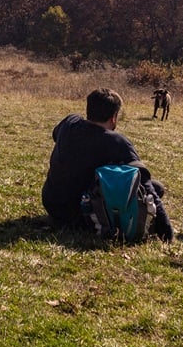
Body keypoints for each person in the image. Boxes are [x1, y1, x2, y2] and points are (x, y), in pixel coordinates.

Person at [41, 88, 173, 241]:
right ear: (114, 117)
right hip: (82, 214)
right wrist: (166, 230)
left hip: (51, 203)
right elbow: (146, 185)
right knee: (157, 187)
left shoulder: (69, 122)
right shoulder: (117, 142)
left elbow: (55, 135)